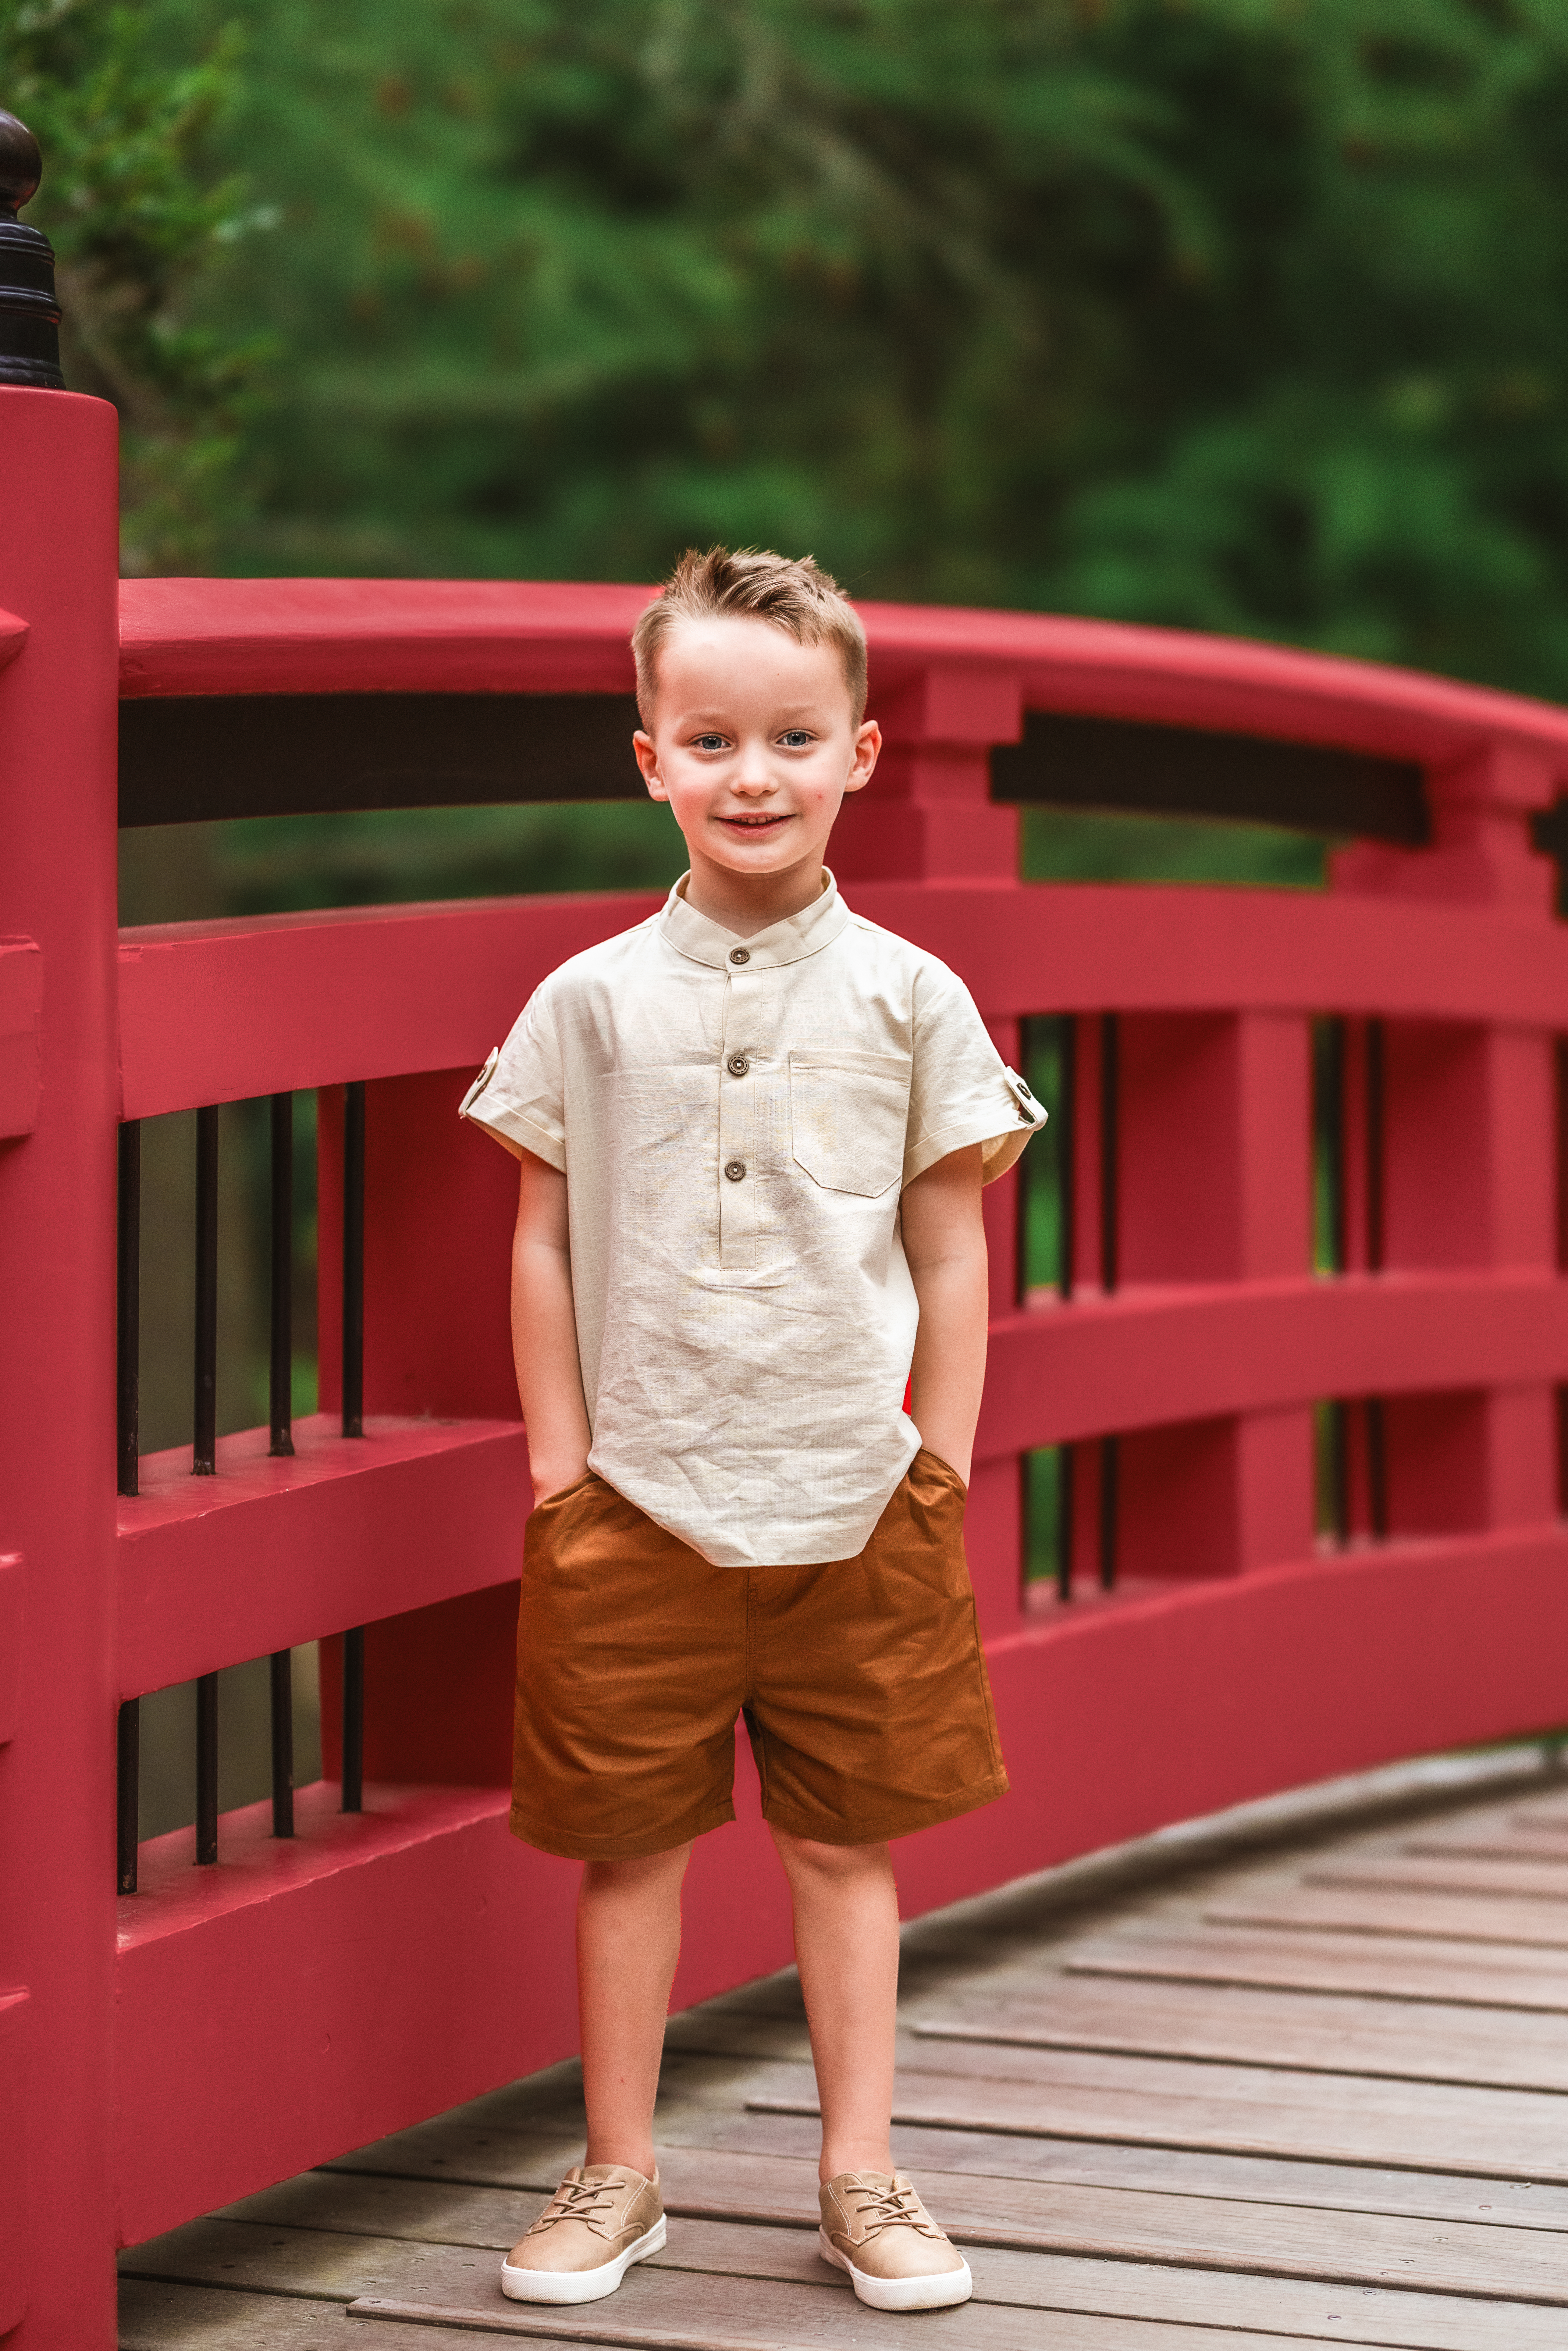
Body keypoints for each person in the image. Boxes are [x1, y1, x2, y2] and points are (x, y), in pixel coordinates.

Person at [459, 545, 1045, 2315]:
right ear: (649, 758)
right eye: (709, 737)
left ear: (861, 751)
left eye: (794, 736)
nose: (753, 774)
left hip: (857, 1496)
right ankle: (618, 2166)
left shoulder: (911, 994)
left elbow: (952, 1242)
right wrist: (562, 1471)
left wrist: (936, 1460)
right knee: (629, 1846)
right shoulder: (589, 1000)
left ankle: (859, 2168)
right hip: (635, 1493)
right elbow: (543, 1235)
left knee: (843, 1844)